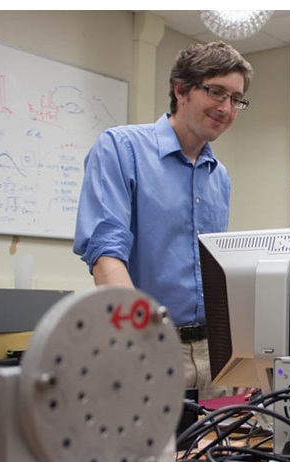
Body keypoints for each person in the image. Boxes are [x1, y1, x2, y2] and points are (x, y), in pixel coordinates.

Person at [73, 41, 253, 400]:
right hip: (148, 346)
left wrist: (242, 349)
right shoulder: (121, 149)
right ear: (181, 90)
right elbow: (105, 253)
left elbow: (217, 273)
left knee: (220, 453)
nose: (226, 108)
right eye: (216, 92)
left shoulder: (219, 176)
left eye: (236, 99)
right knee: (150, 456)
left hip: (215, 353)